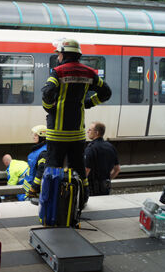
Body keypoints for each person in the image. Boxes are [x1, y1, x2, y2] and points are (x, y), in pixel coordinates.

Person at [41, 38, 112, 201]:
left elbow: (47, 93)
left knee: (52, 168)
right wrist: (89, 102)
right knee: (79, 169)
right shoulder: (89, 73)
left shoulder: (58, 72)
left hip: (57, 134)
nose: (58, 57)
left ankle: (50, 200)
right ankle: (82, 199)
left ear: (64, 54)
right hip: (77, 134)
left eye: (59, 53)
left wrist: (49, 107)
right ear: (78, 54)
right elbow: (106, 92)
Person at [84, 122, 121, 195]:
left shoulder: (91, 148)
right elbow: (117, 169)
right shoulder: (111, 147)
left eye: (90, 130)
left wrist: (82, 185)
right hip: (106, 187)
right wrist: (108, 179)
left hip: (92, 188)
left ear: (97, 133)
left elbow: (86, 170)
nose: (87, 131)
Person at [24, 125, 48, 197]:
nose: (33, 137)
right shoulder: (37, 150)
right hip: (30, 189)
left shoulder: (43, 153)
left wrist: (33, 188)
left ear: (42, 136)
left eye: (36, 135)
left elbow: (40, 172)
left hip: (35, 192)